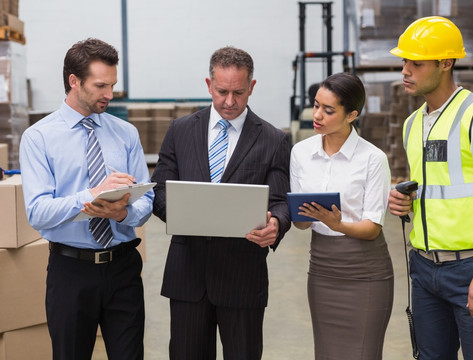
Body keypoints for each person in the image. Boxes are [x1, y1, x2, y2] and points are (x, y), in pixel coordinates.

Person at [388, 16, 473, 360]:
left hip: (472, 268)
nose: (405, 70)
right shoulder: (413, 123)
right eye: (403, 61)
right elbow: (437, 187)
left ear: (446, 63)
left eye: (416, 63)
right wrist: (405, 202)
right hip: (425, 268)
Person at [151, 46, 291, 360]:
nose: (229, 101)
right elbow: (158, 190)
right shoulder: (180, 131)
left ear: (252, 87)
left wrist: (276, 224)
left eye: (239, 93)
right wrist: (184, 213)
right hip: (188, 275)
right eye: (222, 91)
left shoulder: (273, 139)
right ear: (208, 85)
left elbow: (280, 200)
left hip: (242, 276)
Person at [19, 38, 154, 360]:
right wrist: (90, 197)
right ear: (74, 81)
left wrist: (122, 214)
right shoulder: (39, 138)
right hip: (71, 272)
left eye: (113, 85)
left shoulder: (125, 133)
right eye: (100, 85)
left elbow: (146, 201)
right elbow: (38, 212)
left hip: (123, 267)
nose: (109, 94)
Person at [289, 72, 394, 359]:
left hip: (365, 271)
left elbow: (372, 227)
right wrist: (298, 216)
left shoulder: (373, 159)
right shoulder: (300, 153)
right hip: (322, 268)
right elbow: (301, 222)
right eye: (316, 105)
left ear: (352, 115)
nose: (317, 115)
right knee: (326, 353)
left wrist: (337, 224)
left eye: (328, 110)